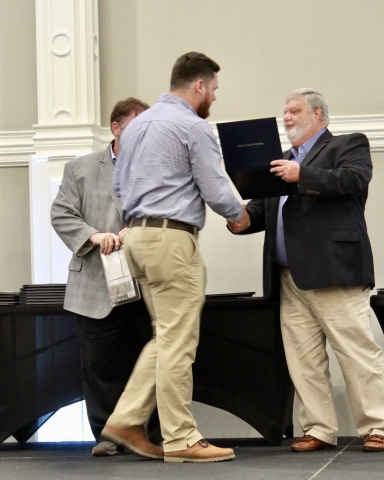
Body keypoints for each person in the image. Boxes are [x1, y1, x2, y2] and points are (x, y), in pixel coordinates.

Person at [228, 88, 384, 453]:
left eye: (294, 110)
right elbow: (265, 209)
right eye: (285, 111)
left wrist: (301, 175)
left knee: (356, 353)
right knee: (303, 359)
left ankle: (378, 427)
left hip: (334, 271)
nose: (286, 117)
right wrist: (243, 219)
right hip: (289, 277)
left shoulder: (348, 145)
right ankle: (319, 428)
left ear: (318, 114)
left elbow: (352, 180)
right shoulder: (281, 161)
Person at [101, 52, 248, 463]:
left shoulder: (136, 126)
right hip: (171, 240)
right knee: (179, 342)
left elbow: (118, 185)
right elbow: (215, 187)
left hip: (137, 238)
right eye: (213, 89)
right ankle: (181, 437)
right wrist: (238, 214)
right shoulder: (192, 126)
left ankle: (126, 420)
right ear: (199, 85)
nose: (214, 97)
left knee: (166, 336)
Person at [51, 97, 152, 457]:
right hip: (95, 283)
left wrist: (137, 231)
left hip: (145, 282)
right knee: (98, 365)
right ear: (116, 128)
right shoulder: (79, 168)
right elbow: (62, 214)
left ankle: (152, 434)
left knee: (151, 361)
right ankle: (108, 436)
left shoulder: (157, 168)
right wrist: (94, 236)